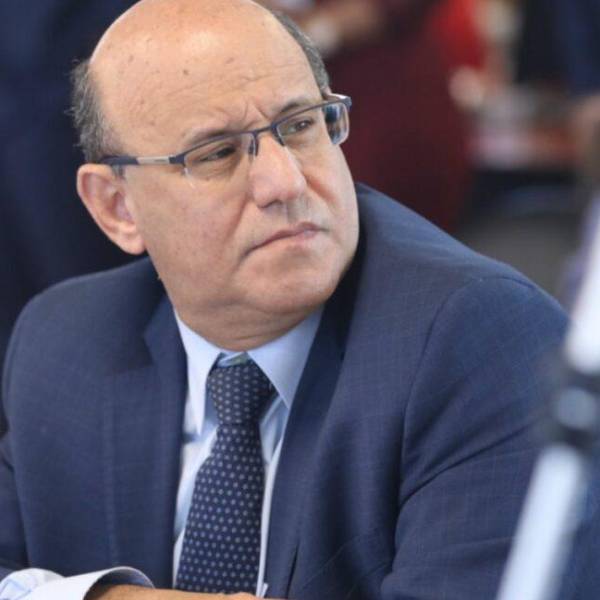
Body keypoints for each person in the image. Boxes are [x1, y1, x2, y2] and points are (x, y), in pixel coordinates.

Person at [0, 0, 573, 598]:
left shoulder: (483, 339)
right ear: (118, 208)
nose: (286, 182)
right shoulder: (67, 340)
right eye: (217, 153)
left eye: (300, 126)